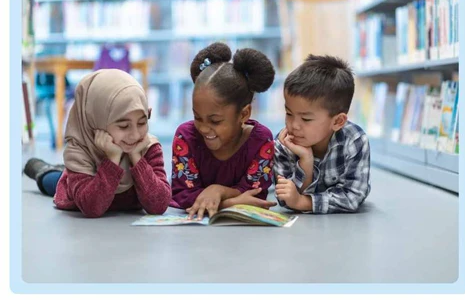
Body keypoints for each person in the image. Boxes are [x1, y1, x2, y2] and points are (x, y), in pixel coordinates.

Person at [23, 69, 172, 218]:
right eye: (123, 126)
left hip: (95, 177)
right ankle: (42, 169)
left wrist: (136, 158)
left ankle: (63, 171)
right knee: (53, 181)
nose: (135, 135)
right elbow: (92, 207)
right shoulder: (79, 151)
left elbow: (159, 205)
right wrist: (113, 159)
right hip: (75, 190)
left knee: (66, 174)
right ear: (97, 120)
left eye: (142, 122)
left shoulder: (148, 146)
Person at [170, 42, 277, 220]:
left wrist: (217, 191)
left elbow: (255, 195)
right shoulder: (185, 137)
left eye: (215, 121)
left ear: (244, 114)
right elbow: (182, 195)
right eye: (197, 117)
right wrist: (229, 203)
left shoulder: (261, 141)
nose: (204, 128)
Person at [274, 55, 371, 214]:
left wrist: (303, 202)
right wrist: (306, 161)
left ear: (338, 121)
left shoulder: (354, 140)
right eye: (288, 113)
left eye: (306, 119)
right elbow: (285, 199)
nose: (293, 125)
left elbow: (353, 197)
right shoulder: (283, 142)